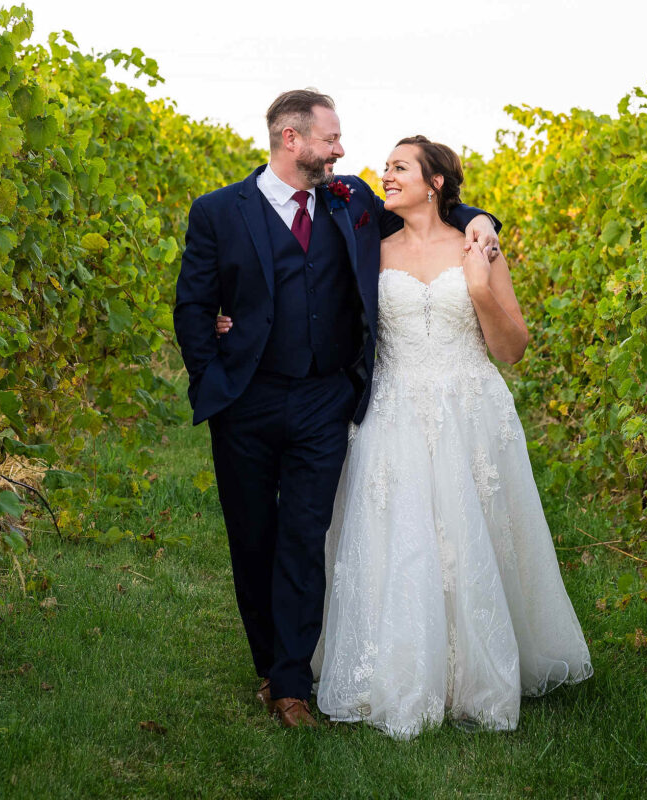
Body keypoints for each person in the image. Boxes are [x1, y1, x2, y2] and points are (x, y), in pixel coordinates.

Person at [218, 136, 592, 739]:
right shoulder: (369, 248)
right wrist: (229, 313)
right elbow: (303, 292)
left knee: (472, 536)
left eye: (399, 167)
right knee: (401, 538)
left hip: (468, 407)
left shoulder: (481, 249)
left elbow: (513, 348)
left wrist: (476, 283)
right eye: (386, 166)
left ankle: (478, 668)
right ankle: (393, 668)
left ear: (435, 182)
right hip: (391, 410)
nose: (384, 175)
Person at [173, 90, 501, 729]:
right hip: (246, 401)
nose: (342, 151)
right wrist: (215, 376)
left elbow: (436, 209)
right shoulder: (219, 212)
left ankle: (292, 682)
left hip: (326, 399)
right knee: (253, 537)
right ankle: (268, 663)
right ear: (291, 141)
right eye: (331, 139)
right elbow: (192, 306)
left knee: (303, 534)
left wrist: (483, 219)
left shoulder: (352, 203)